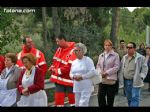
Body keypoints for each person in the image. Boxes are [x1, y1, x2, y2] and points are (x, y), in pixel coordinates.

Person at [49, 33, 76, 107]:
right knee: (59, 102)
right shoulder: (59, 49)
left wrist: (56, 71)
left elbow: (69, 67)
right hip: (59, 80)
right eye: (56, 42)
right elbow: (55, 61)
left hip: (69, 81)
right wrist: (52, 67)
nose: (57, 43)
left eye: (58, 41)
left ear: (63, 40)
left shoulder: (73, 51)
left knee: (73, 102)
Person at [118, 42, 148, 107]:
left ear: (134, 48)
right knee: (129, 98)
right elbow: (121, 69)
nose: (128, 49)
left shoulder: (141, 57)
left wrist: (141, 77)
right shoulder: (124, 57)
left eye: (130, 47)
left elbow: (145, 68)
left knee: (134, 98)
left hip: (136, 81)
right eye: (127, 47)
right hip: (126, 81)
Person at [96, 39, 120, 107]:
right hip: (102, 80)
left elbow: (116, 67)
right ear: (104, 46)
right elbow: (98, 65)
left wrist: (106, 73)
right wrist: (100, 72)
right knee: (100, 98)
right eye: (105, 45)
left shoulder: (115, 55)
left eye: (109, 45)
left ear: (111, 46)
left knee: (110, 100)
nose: (107, 46)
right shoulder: (101, 55)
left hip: (111, 81)